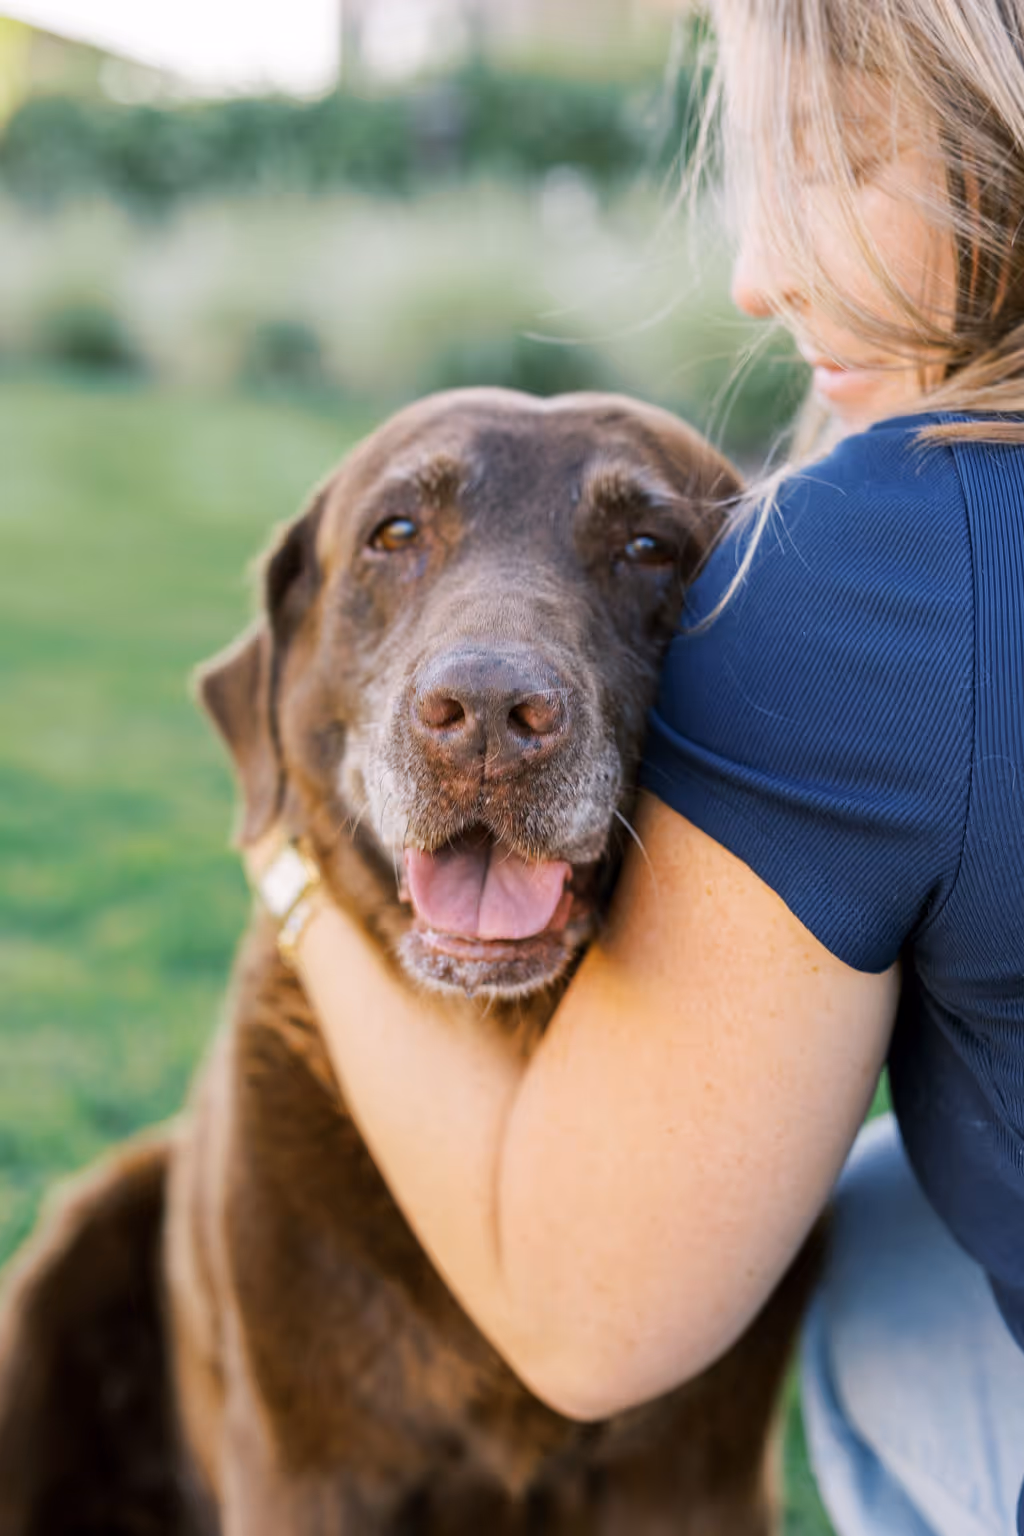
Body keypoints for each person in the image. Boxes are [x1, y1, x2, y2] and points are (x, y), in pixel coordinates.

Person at [245, 1, 1024, 1531]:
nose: (758, 275)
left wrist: (278, 857)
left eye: (850, 158)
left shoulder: (880, 576)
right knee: (879, 1229)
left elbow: (586, 1313)